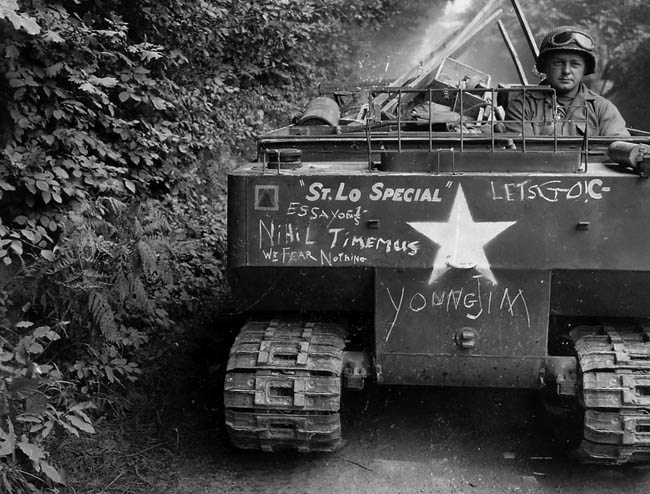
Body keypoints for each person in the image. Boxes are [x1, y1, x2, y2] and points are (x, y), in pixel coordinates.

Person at [504, 26, 630, 137]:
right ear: (545, 66)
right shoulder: (523, 106)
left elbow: (621, 149)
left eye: (575, 64)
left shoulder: (602, 109)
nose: (566, 71)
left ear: (584, 69)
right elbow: (520, 154)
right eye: (558, 63)